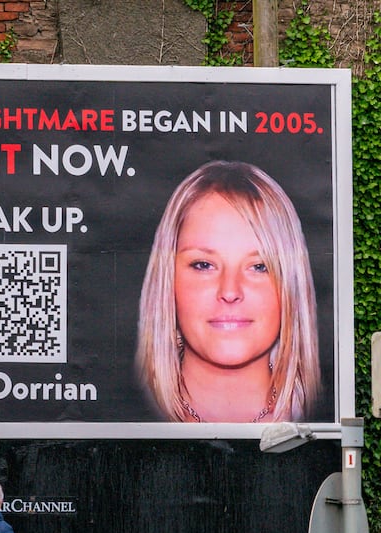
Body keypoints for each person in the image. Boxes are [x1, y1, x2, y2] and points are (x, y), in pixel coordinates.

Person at [135, 160, 320, 423]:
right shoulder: (131, 417)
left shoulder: (316, 421)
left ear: (291, 284)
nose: (230, 291)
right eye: (203, 265)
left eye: (259, 266)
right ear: (167, 281)